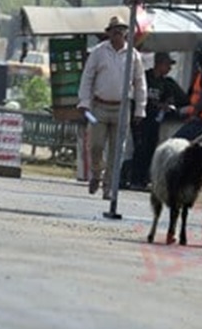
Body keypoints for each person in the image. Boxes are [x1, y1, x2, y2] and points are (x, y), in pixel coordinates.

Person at [77, 16, 147, 198]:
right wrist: (84, 102)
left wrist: (140, 108)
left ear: (126, 33)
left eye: (121, 30)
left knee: (117, 150)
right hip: (99, 106)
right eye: (114, 30)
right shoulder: (98, 52)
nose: (117, 33)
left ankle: (108, 186)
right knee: (96, 145)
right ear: (108, 33)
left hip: (122, 108)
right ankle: (95, 173)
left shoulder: (133, 55)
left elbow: (140, 83)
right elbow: (87, 78)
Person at [126, 51, 187, 191]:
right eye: (167, 65)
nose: (169, 69)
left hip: (154, 121)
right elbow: (136, 95)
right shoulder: (145, 77)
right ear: (159, 64)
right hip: (141, 118)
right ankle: (135, 179)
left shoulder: (165, 83)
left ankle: (144, 179)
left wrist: (167, 104)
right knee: (139, 148)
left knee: (150, 149)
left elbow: (179, 99)